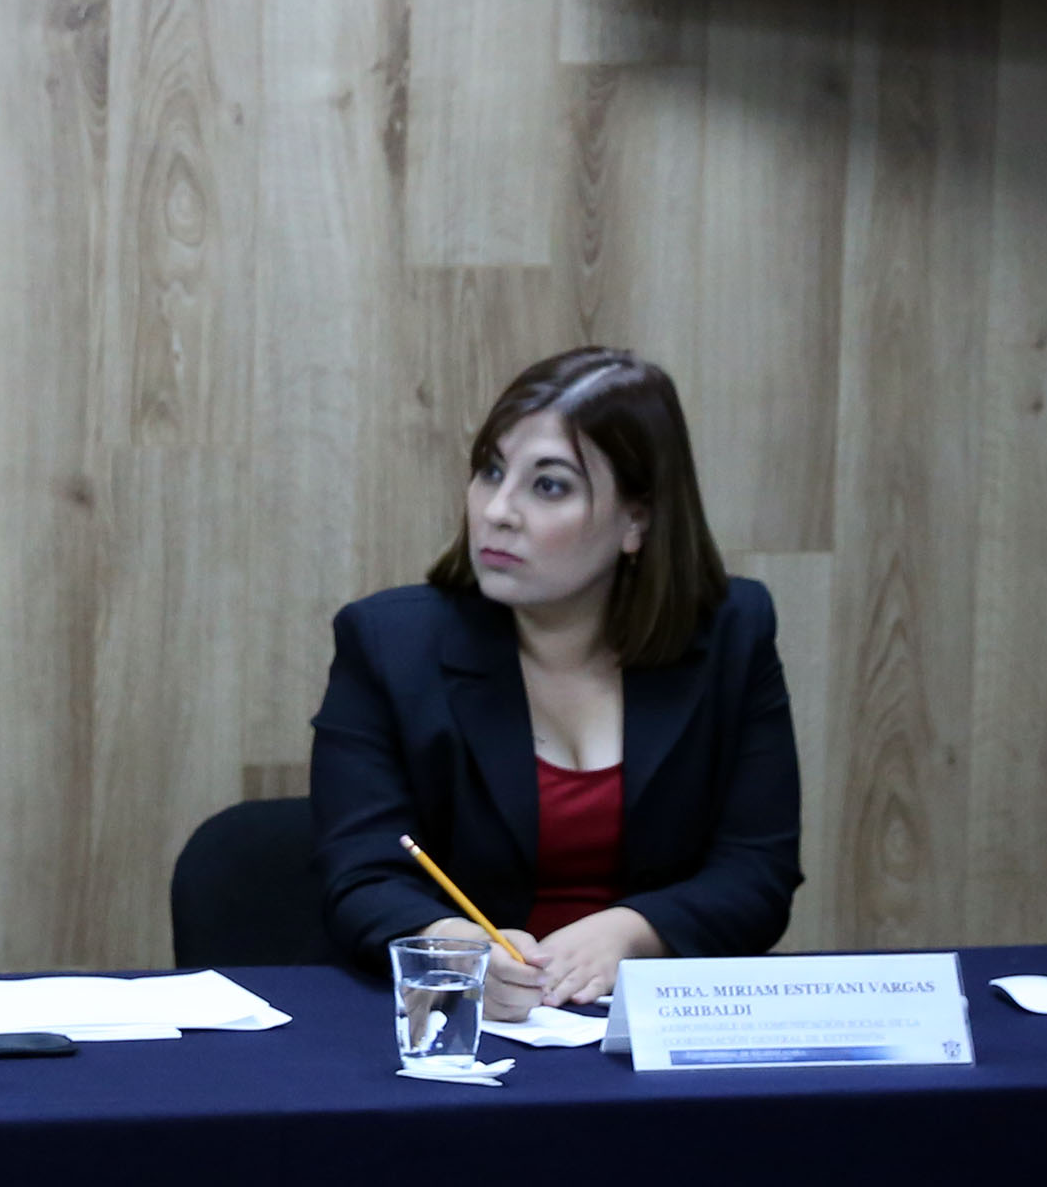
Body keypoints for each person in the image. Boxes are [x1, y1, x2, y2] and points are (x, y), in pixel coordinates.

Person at [311, 347, 798, 1017]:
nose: (497, 510)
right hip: (462, 1026)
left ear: (636, 519)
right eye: (490, 471)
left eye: (548, 486)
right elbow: (360, 873)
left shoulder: (732, 633)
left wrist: (631, 933)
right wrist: (458, 947)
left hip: (654, 1025)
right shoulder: (388, 643)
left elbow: (757, 870)